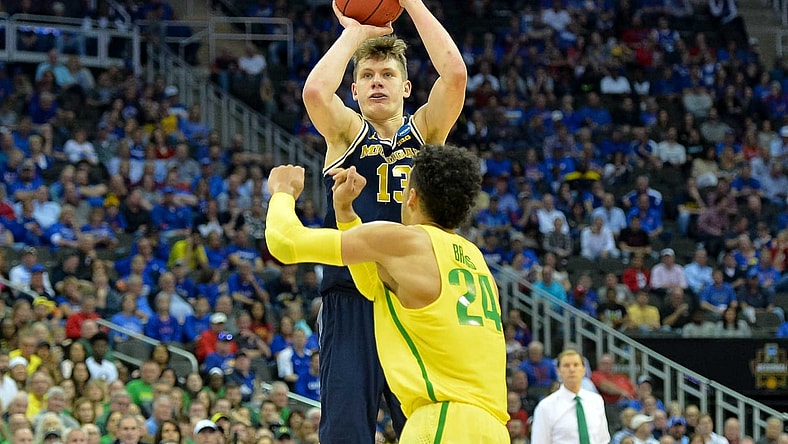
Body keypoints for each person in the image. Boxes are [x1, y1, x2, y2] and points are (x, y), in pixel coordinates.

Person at [300, 0, 467, 439]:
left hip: (414, 300)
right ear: (353, 91)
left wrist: (412, 3)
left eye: (387, 75)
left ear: (407, 87)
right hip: (352, 298)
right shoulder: (345, 133)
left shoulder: (427, 132)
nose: (377, 83)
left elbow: (454, 76)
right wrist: (355, 32)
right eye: (367, 77)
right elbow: (316, 93)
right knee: (346, 431)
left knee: (425, 429)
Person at [264, 146, 508, 442]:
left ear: (412, 197)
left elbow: (285, 242)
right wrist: (345, 213)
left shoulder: (404, 241)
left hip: (442, 421)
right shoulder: (476, 261)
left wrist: (282, 192)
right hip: (491, 427)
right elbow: (371, 287)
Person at [530, 349, 610, 443]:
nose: (572, 369)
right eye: (566, 366)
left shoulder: (596, 401)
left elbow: (603, 440)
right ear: (558, 371)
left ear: (584, 370)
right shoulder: (545, 406)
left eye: (576, 365)